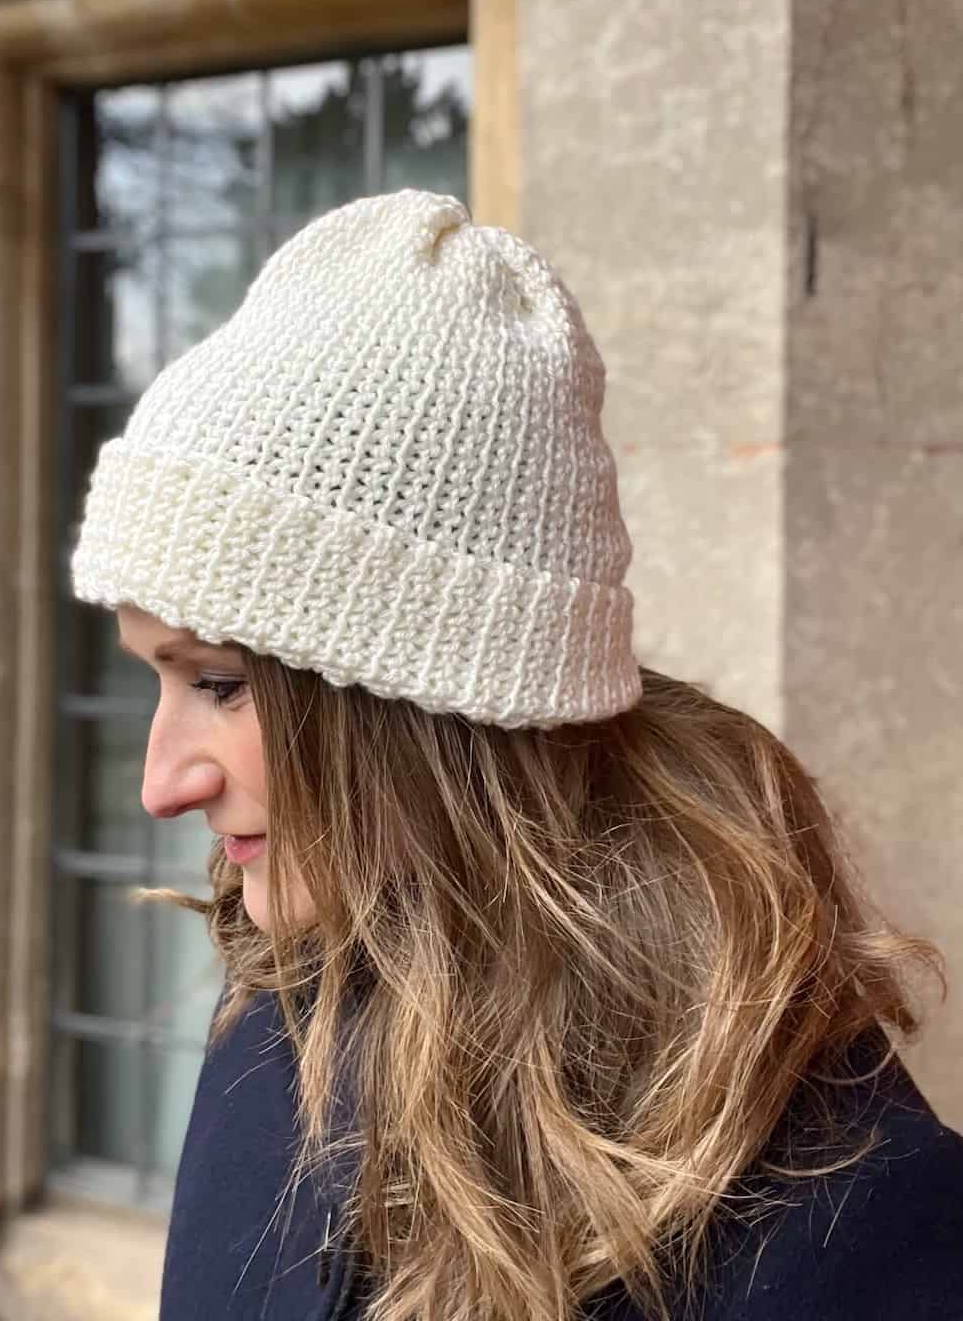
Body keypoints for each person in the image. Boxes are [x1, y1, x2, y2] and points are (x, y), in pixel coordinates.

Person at [71, 189, 963, 1320]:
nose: (162, 781)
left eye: (220, 683)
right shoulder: (280, 1022)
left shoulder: (830, 1206)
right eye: (153, 675)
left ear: (430, 705)